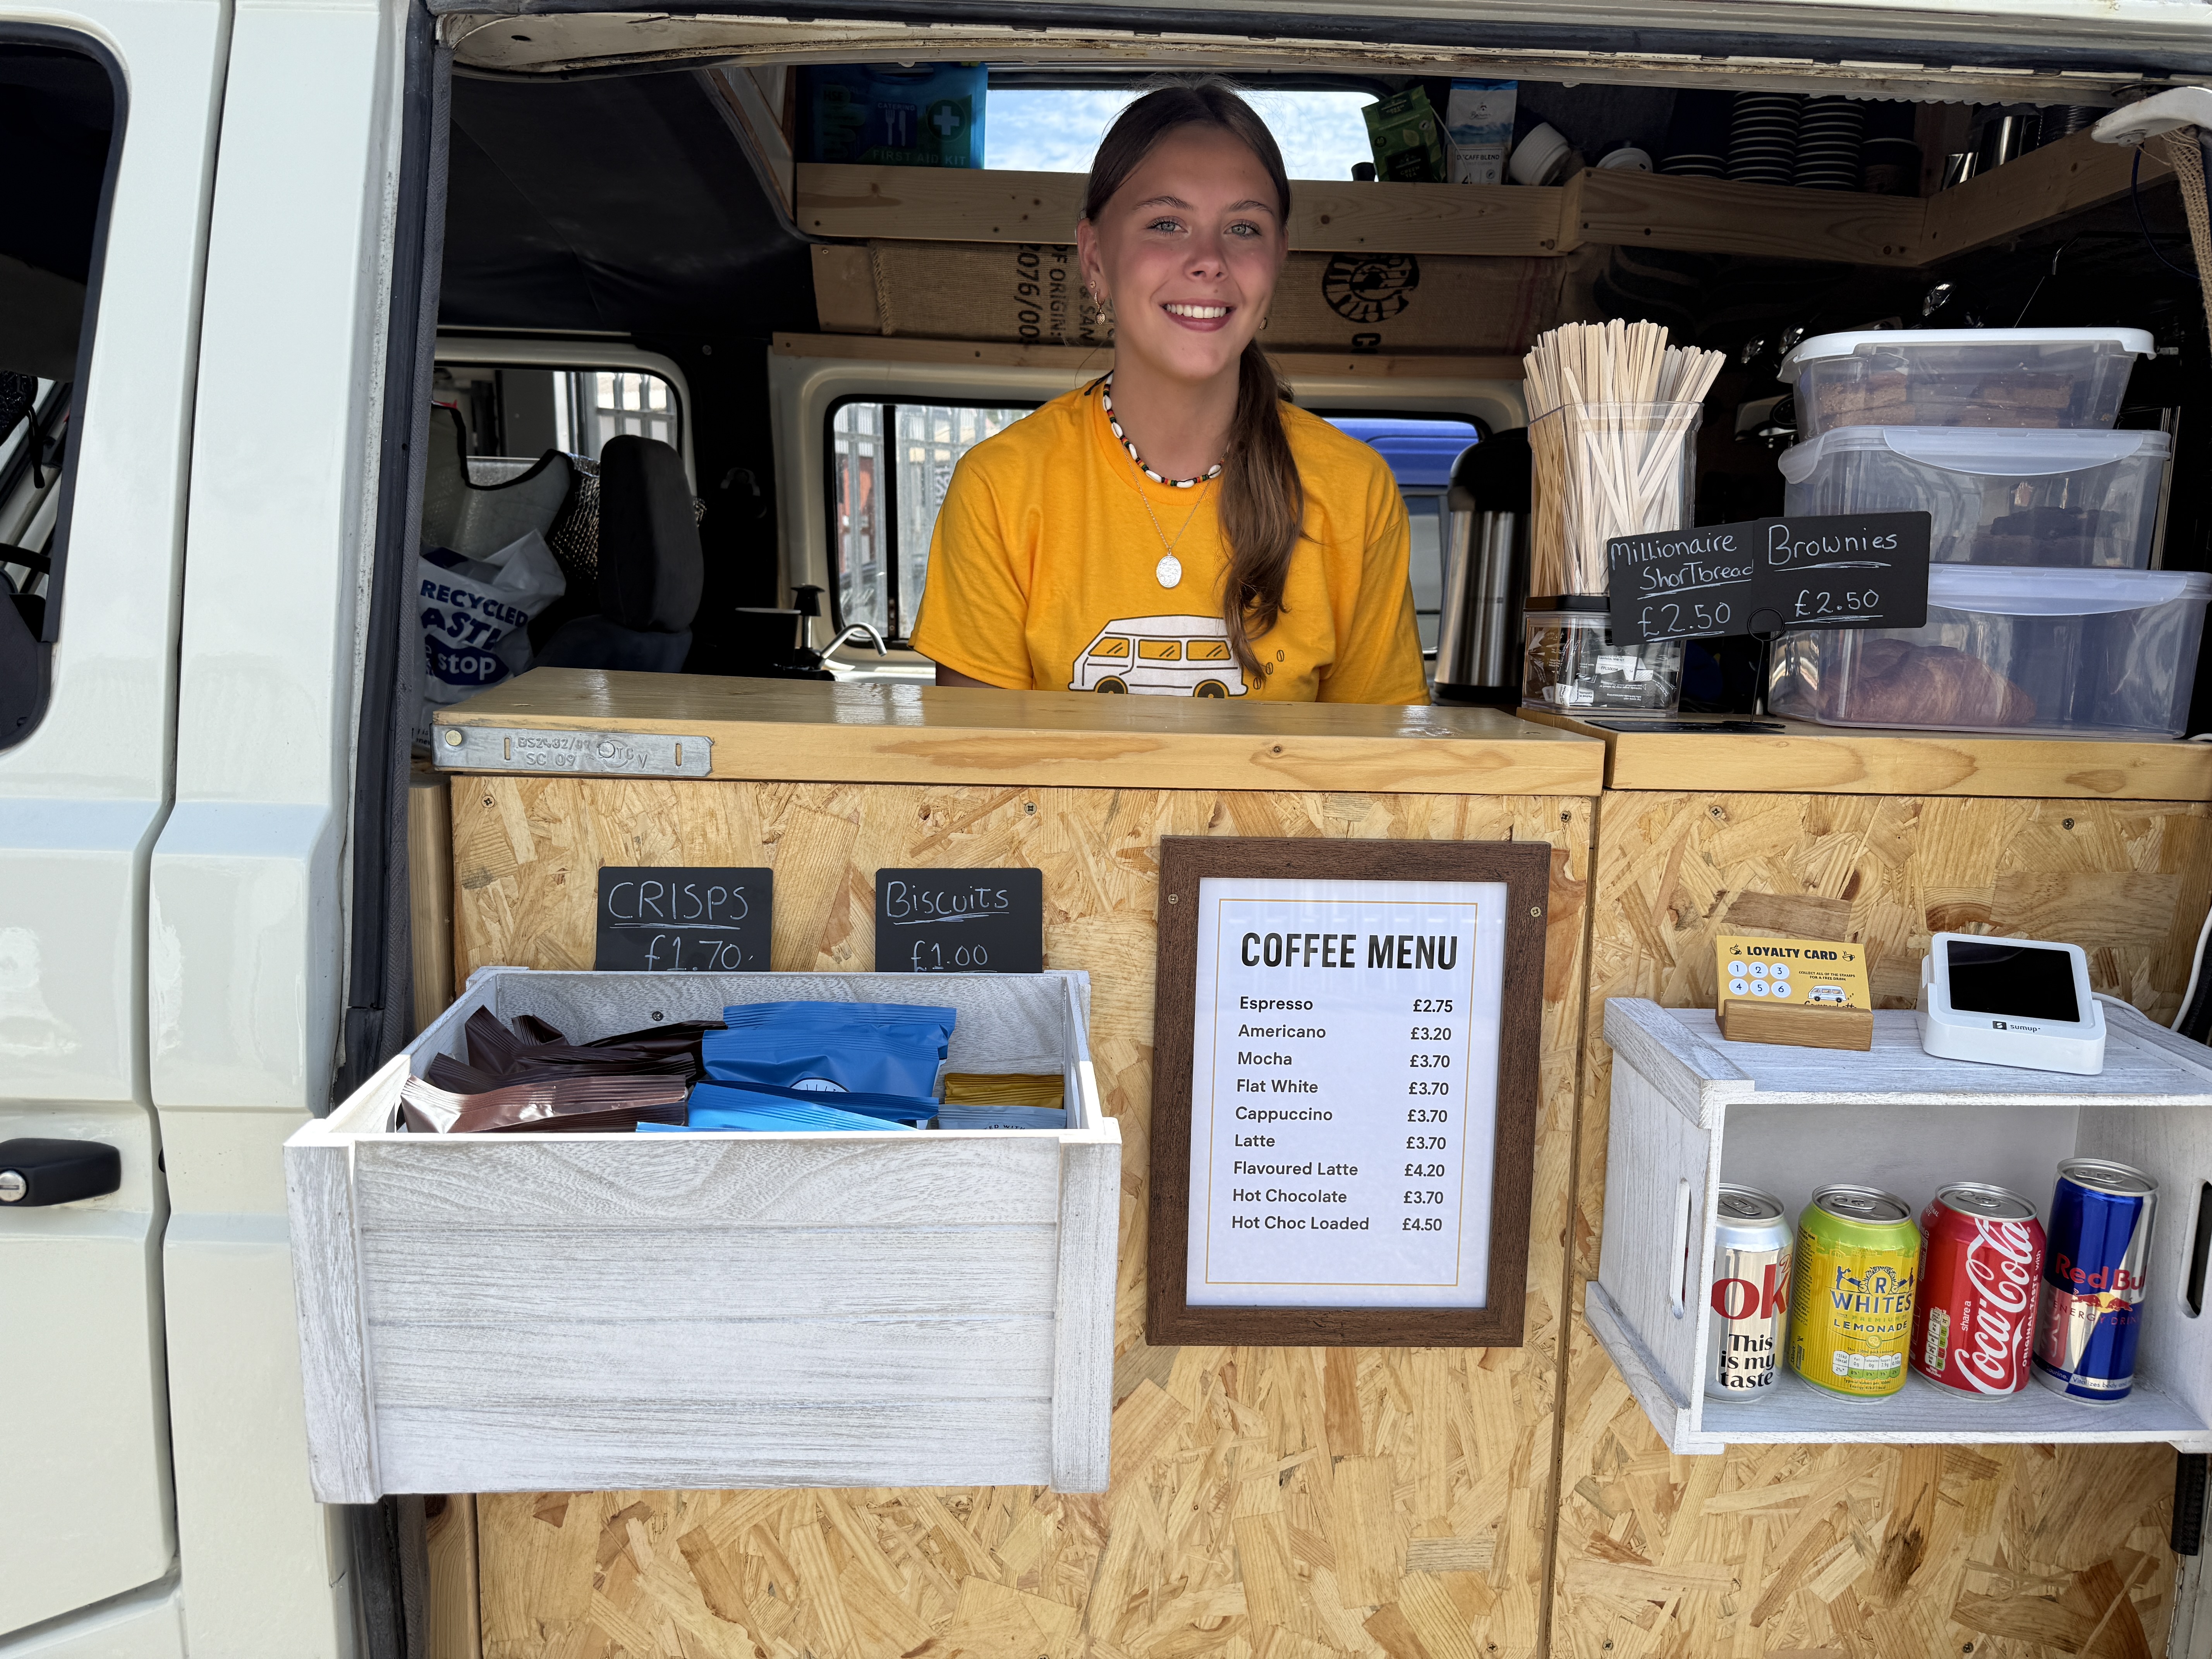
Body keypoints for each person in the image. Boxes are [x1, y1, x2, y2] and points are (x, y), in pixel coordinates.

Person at [908, 80, 1428, 705]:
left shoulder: (1356, 493)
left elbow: (1379, 761)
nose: (1209, 259)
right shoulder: (999, 489)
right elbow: (980, 761)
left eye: (1244, 228)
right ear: (1094, 257)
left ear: (1278, 259)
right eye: (1166, 223)